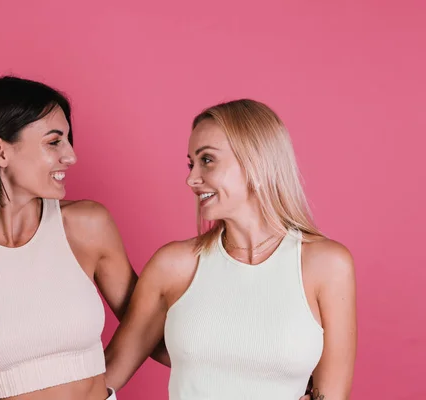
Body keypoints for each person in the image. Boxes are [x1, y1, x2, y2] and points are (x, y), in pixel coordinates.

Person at [0, 76, 167, 400]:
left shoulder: (87, 226)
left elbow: (149, 330)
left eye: (68, 141)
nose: (70, 156)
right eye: (54, 142)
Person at [104, 99, 357, 400]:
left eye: (207, 160)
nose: (191, 178)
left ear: (256, 163)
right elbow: (106, 376)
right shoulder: (175, 265)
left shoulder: (327, 266)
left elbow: (332, 395)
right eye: (191, 163)